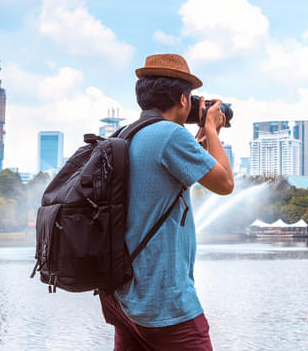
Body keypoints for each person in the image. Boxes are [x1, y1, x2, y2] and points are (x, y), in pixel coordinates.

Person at [99, 53, 234, 350]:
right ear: (184, 100)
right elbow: (225, 184)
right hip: (164, 302)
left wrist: (200, 137)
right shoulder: (171, 136)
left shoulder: (126, 134)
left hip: (122, 299)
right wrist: (211, 128)